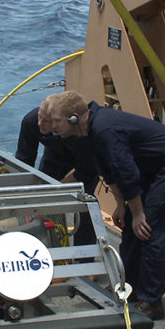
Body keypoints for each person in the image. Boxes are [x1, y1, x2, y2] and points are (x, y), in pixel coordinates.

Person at [49, 90, 165, 320]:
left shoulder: (104, 129)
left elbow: (126, 171)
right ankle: (131, 289)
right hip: (150, 166)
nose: (53, 126)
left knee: (150, 230)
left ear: (74, 118)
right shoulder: (91, 131)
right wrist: (122, 206)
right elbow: (108, 170)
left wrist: (138, 213)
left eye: (57, 121)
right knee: (131, 229)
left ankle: (152, 301)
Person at [16, 94, 99, 247]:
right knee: (45, 196)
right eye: (39, 117)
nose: (40, 123)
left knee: (85, 202)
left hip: (82, 158)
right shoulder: (31, 121)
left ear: (56, 121)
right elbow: (23, 161)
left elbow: (87, 169)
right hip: (54, 155)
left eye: (45, 120)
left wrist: (60, 186)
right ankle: (49, 244)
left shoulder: (80, 134)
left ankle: (85, 255)